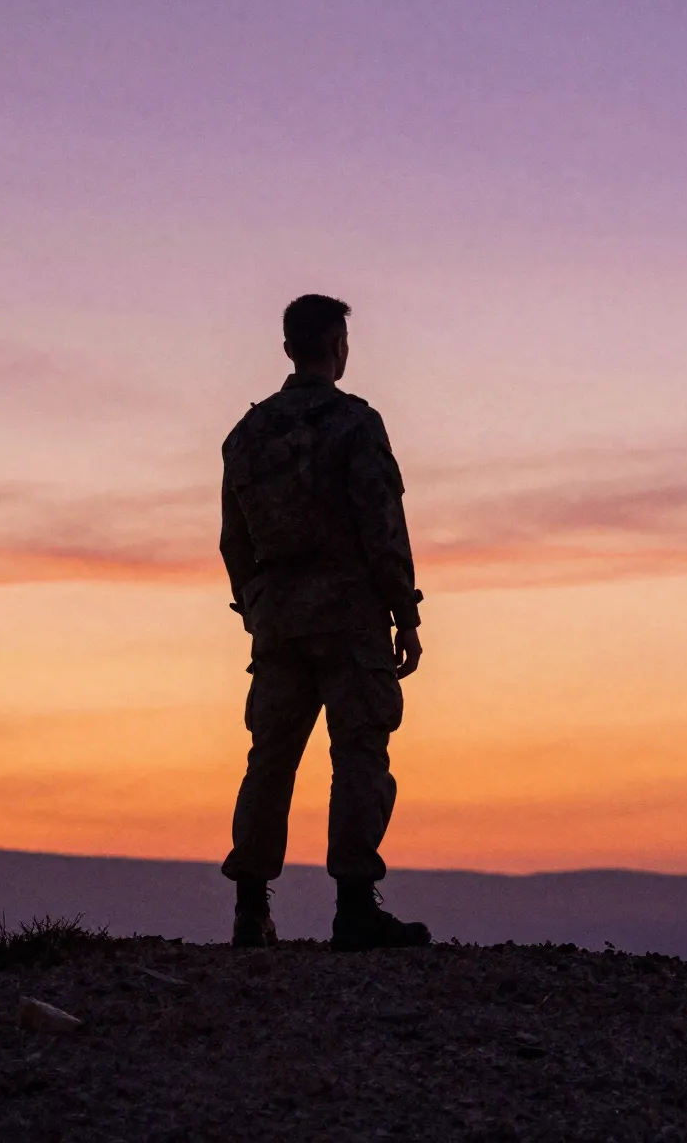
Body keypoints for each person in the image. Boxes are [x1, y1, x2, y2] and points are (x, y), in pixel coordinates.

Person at [218, 294, 431, 952]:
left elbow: (234, 542)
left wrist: (255, 605)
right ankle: (355, 909)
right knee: (359, 753)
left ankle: (250, 910)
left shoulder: (247, 435)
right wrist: (404, 613)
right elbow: (382, 526)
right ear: (337, 347)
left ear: (288, 348)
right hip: (349, 617)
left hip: (279, 621)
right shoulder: (354, 424)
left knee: (270, 759)